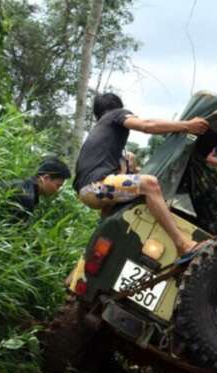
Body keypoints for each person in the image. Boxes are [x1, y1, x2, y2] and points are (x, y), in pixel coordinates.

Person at [74, 93, 209, 255]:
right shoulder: (116, 114)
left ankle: (80, 265)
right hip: (96, 188)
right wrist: (187, 126)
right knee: (149, 184)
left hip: (88, 192)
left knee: (113, 219)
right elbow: (147, 125)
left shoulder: (101, 132)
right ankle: (183, 244)